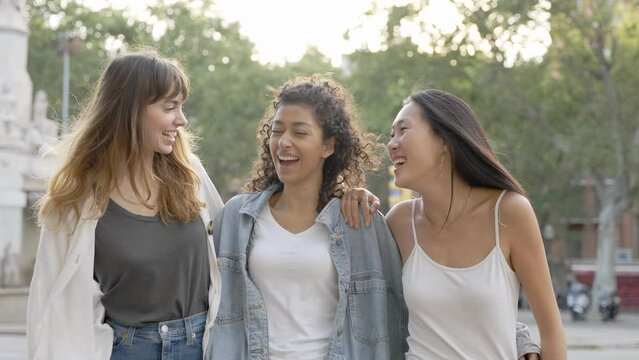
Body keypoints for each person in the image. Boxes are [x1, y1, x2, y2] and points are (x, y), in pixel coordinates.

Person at [26, 49, 225, 360]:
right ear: (130, 110)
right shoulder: (75, 199)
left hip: (201, 347)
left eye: (181, 107)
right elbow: (48, 307)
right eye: (170, 107)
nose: (182, 120)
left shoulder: (190, 175)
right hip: (125, 350)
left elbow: (231, 249)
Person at [344, 89, 564, 359]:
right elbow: (367, 313)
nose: (391, 144)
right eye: (392, 135)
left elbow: (552, 334)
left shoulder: (509, 212)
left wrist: (520, 341)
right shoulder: (399, 222)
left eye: (403, 130)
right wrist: (356, 197)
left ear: (444, 141)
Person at [205, 75, 408, 359]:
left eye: (299, 133)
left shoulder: (360, 222)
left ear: (328, 146)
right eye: (277, 131)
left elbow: (392, 316)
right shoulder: (237, 218)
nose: (283, 142)